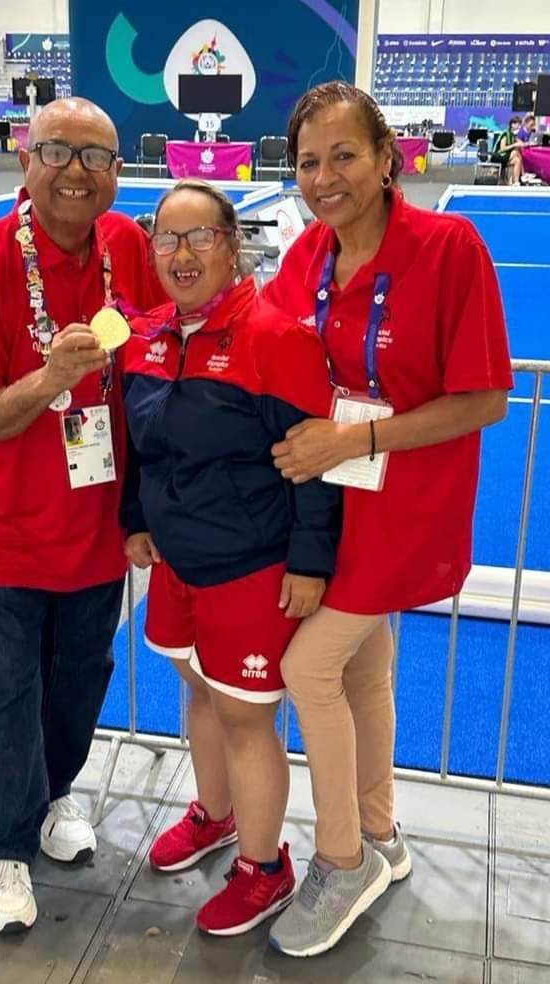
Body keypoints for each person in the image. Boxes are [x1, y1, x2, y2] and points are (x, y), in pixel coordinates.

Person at [262, 81, 513, 958]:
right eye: (308, 162)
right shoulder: (307, 255)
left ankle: (342, 861)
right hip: (332, 507)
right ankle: (380, 832)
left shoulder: (448, 248)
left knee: (308, 667)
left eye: (344, 156)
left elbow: (485, 398)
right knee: (364, 674)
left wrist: (356, 437)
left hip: (407, 505)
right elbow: (266, 344)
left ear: (385, 159)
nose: (324, 178)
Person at [0, 97, 164, 934]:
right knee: (6, 688)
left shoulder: (128, 246)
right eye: (58, 151)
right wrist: (51, 377)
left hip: (98, 521)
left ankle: (56, 791)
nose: (75, 171)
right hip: (2, 526)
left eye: (96, 157)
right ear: (24, 160)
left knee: (79, 678)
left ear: (117, 173)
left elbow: (167, 344)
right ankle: (3, 846)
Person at [122, 179, 342, 936]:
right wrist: (134, 520)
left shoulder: (274, 336)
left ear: (232, 245)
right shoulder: (150, 336)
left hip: (250, 567)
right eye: (167, 238)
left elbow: (314, 461)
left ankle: (264, 868)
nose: (182, 253)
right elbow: (140, 448)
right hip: (177, 562)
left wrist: (309, 561)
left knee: (247, 717)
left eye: (200, 236)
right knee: (202, 691)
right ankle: (216, 815)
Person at [491, 116, 524, 183]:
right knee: (515, 151)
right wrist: (514, 145)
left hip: (506, 156)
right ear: (512, 124)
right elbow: (502, 149)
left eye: (519, 125)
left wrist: (529, 143)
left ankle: (516, 182)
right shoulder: (505, 134)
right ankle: (523, 174)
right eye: (518, 125)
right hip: (498, 155)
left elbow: (521, 143)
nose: (519, 127)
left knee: (517, 160)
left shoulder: (513, 135)